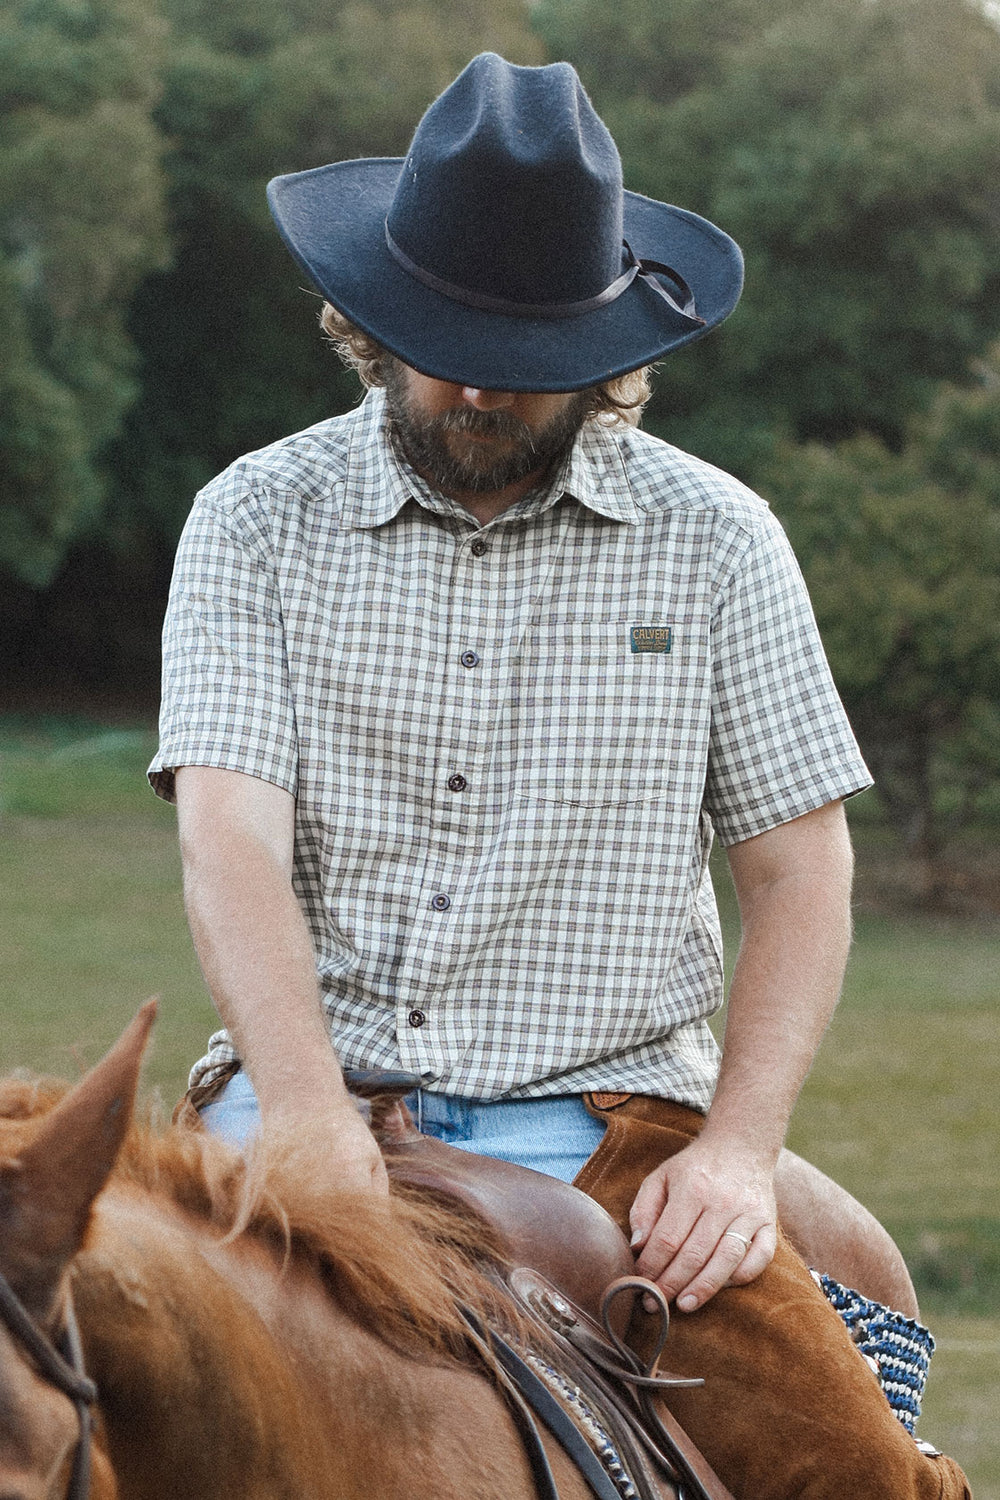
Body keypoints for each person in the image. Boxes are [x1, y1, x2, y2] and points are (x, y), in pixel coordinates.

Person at [150, 53, 970, 1500]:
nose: (472, 382)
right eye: (437, 338)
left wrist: (737, 1151)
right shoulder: (252, 522)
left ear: (602, 349)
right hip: (298, 1096)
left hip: (608, 1126)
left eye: (518, 357)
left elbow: (799, 868)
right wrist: (304, 1111)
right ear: (365, 320)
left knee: (857, 1475)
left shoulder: (718, 540)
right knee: (71, 1371)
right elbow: (230, 842)